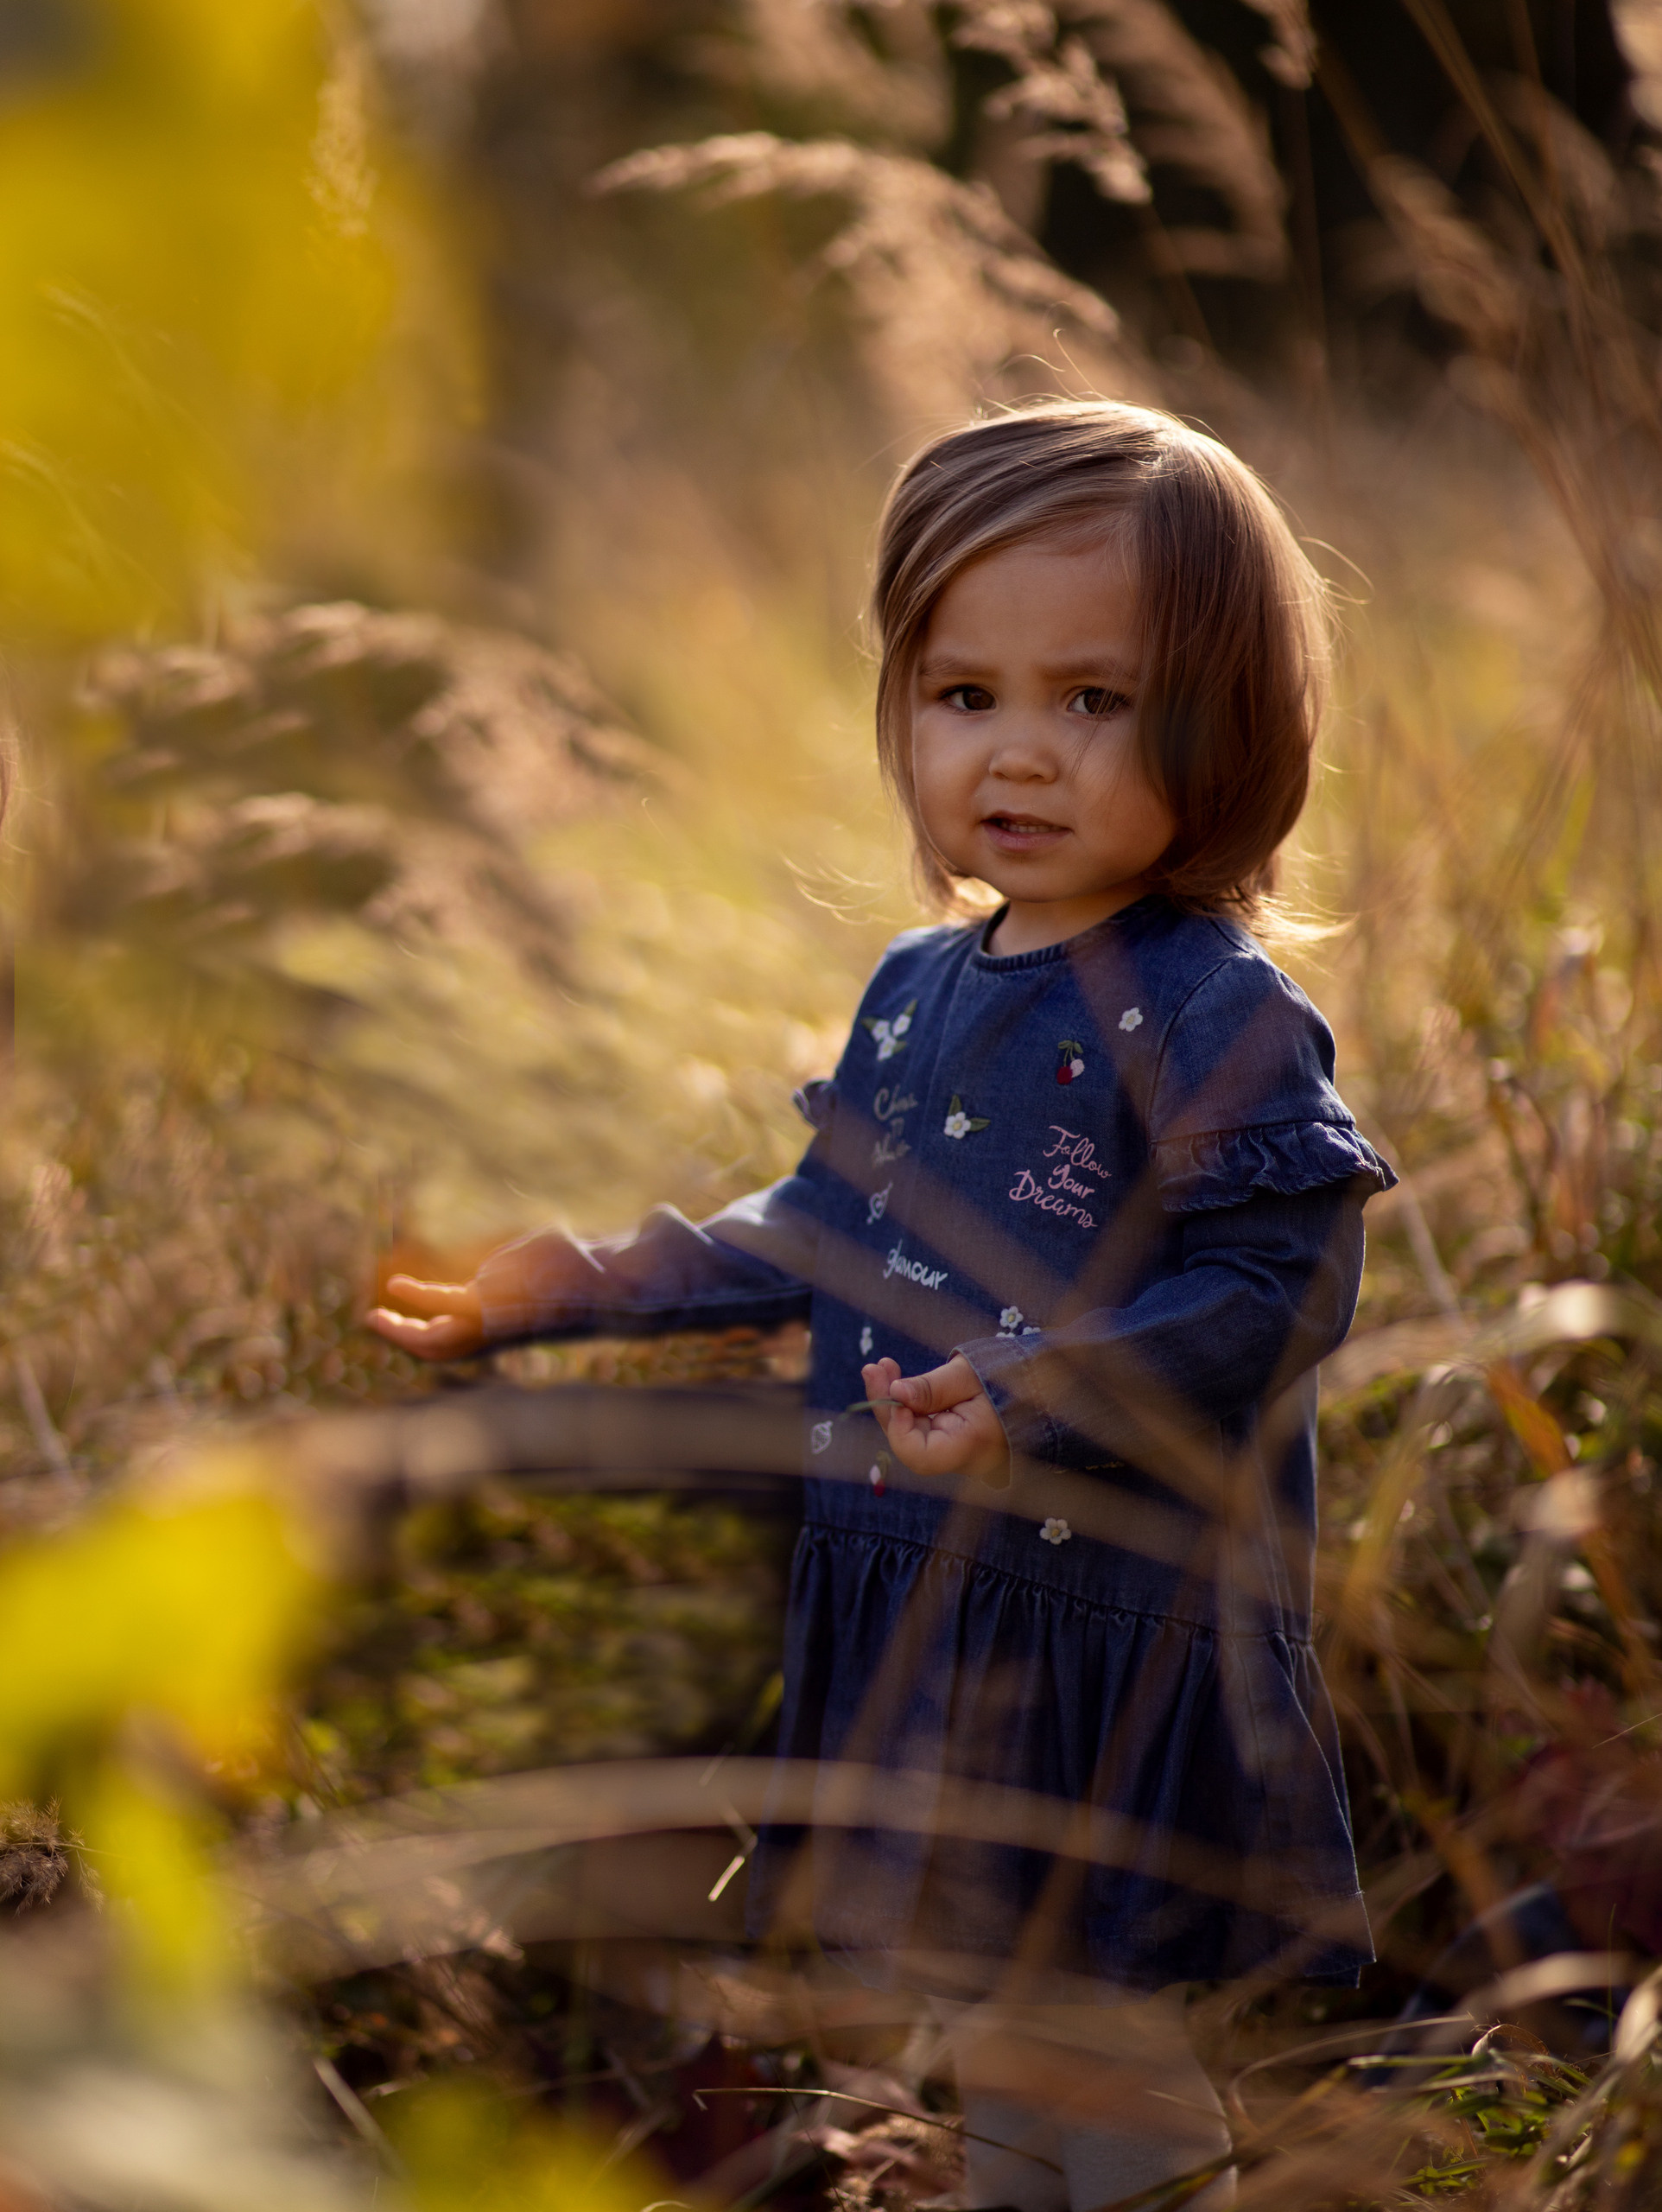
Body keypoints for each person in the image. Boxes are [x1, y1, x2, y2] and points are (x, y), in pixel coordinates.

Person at [370, 401, 1396, 2211]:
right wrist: (579, 1283)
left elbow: (1275, 1285)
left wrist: (1033, 1388)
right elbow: (829, 1227)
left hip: (1102, 1607)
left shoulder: (1204, 1003)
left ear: (1227, 725)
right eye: (962, 692)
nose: (1019, 750)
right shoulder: (920, 986)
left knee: (1095, 2025)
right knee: (991, 2009)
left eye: (1095, 699)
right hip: (926, 1583)